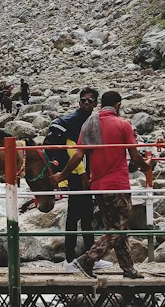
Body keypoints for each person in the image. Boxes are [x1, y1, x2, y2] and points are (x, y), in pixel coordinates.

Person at [54, 91, 151, 279]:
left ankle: (128, 268)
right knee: (120, 227)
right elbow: (135, 156)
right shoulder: (123, 124)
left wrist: (62, 175)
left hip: (98, 185)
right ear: (117, 105)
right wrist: (147, 168)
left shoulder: (89, 124)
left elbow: (78, 155)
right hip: (118, 184)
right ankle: (88, 259)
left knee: (115, 227)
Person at [45, 88, 99, 271]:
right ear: (79, 102)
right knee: (77, 217)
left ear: (95, 104)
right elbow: (72, 150)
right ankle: (72, 260)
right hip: (77, 176)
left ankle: (86, 258)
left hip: (83, 175)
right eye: (83, 100)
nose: (85, 103)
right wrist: (81, 173)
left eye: (90, 101)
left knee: (84, 216)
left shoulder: (87, 120)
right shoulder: (74, 121)